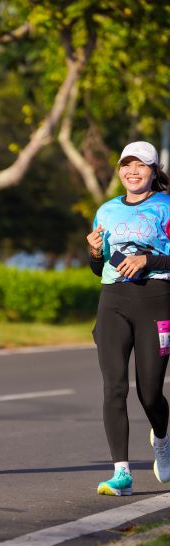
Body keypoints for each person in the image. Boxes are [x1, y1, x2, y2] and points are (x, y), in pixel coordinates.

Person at [87, 141, 170, 496]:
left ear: (154, 171)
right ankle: (121, 473)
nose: (132, 171)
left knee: (150, 393)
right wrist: (94, 252)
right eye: (126, 164)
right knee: (115, 387)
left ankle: (162, 439)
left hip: (156, 301)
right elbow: (98, 267)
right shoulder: (106, 211)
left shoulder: (165, 206)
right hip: (114, 301)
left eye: (141, 165)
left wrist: (148, 260)